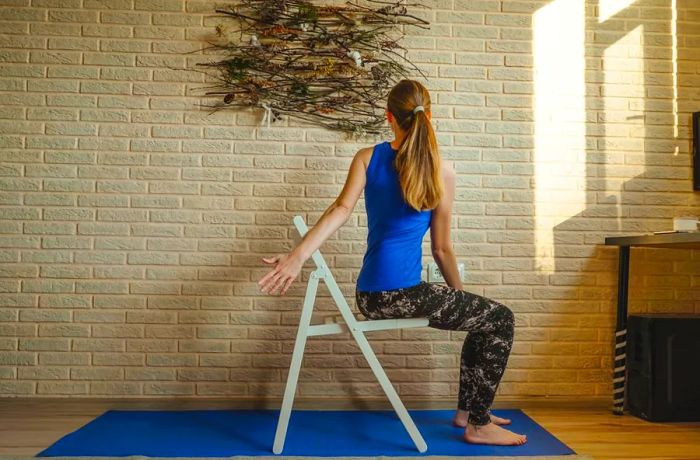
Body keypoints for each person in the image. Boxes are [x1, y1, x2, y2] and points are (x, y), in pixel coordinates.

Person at [257, 79, 526, 446]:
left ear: (389, 118)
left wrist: (297, 256)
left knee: (485, 320)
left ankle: (469, 410)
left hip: (370, 296)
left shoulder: (368, 157)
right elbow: (442, 249)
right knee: (501, 319)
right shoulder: (442, 171)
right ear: (429, 116)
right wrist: (459, 298)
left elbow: (341, 210)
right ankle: (478, 424)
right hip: (402, 294)